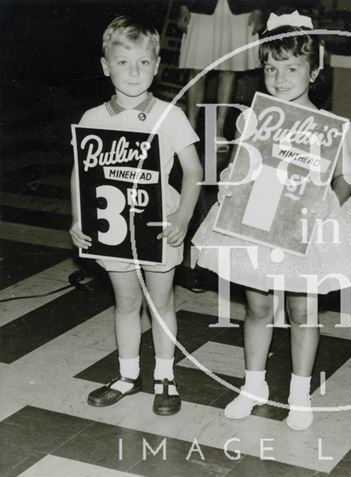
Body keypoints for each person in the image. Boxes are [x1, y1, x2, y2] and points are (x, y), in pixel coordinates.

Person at [191, 11, 351, 430]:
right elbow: (242, 166)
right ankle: (253, 384)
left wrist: (327, 208)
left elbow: (346, 178)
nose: (279, 77)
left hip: (306, 226)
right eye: (271, 68)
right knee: (257, 306)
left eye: (291, 68)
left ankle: (298, 392)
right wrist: (229, 182)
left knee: (302, 308)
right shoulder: (253, 117)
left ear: (314, 73)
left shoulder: (332, 128)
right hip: (258, 221)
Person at [69, 16, 203, 416]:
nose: (133, 71)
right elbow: (82, 172)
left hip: (158, 224)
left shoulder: (170, 115)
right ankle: (128, 375)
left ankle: (165, 376)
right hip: (112, 227)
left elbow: (194, 171)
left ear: (157, 65)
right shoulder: (93, 118)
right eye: (123, 61)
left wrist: (182, 217)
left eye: (143, 62)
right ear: (105, 65)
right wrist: (79, 218)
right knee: (126, 302)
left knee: (160, 303)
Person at [178, 0, 264, 144]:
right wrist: (182, 5)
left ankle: (219, 128)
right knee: (196, 68)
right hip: (201, 9)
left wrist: (259, 8)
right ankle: (190, 127)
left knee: (229, 69)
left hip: (239, 11)